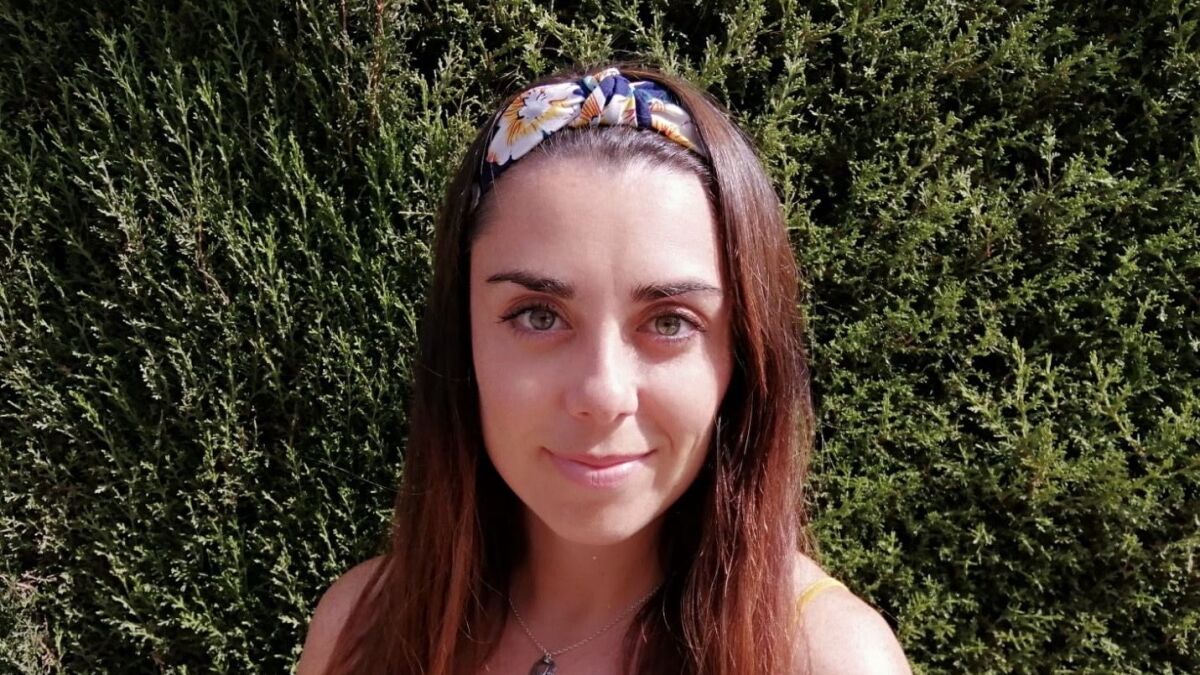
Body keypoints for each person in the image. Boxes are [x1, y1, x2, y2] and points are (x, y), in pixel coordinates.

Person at [297, 64, 911, 674]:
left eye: (669, 323)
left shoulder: (828, 660)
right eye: (538, 315)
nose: (602, 393)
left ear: (743, 358)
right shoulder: (361, 631)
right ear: (463, 340)